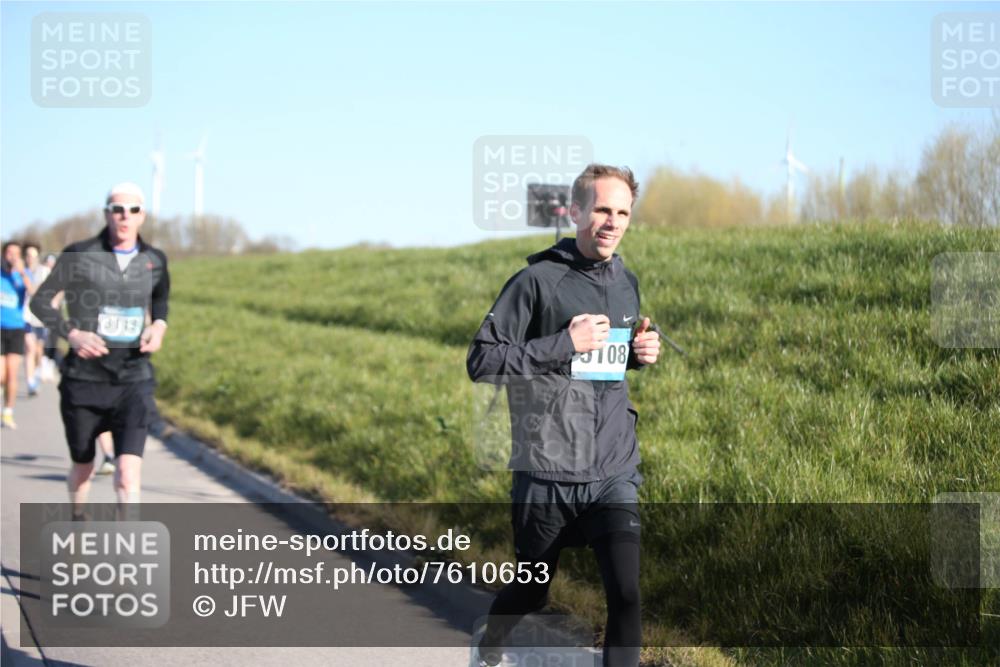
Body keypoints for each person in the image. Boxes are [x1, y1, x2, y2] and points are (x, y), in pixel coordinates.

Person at [466, 164, 661, 667]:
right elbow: (482, 360)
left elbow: (602, 364)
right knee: (532, 594)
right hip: (546, 470)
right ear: (575, 212)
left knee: (626, 594)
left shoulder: (626, 282)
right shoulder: (535, 281)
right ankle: (488, 647)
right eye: (601, 209)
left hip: (612, 466)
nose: (611, 222)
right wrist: (562, 343)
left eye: (622, 212)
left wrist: (637, 353)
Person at [32, 182, 170, 519]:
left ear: (143, 216)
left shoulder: (154, 259)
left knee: (127, 474)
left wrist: (159, 326)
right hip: (85, 379)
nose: (125, 216)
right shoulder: (79, 254)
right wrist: (72, 333)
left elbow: (160, 301)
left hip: (133, 377)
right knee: (83, 467)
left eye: (133, 210)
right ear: (106, 214)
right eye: (117, 209)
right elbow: (40, 302)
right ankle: (77, 517)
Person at [1, 241, 36, 428]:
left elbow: (34, 293)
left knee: (12, 373)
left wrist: (22, 273)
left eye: (15, 253)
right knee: (2, 374)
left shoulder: (24, 275)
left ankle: (8, 411)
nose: (11, 256)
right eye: (8, 252)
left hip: (16, 328)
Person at [22, 242, 48, 395]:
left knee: (39, 349)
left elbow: (45, 290)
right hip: (25, 316)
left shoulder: (44, 271)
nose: (30, 258)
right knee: (29, 348)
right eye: (27, 255)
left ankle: (37, 372)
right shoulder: (21, 271)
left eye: (33, 255)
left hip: (41, 316)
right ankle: (30, 381)